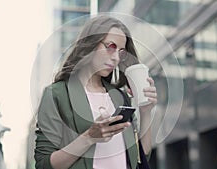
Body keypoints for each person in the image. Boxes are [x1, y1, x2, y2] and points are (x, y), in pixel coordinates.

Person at [34, 15, 157, 169]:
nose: (116, 58)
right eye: (111, 47)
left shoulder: (119, 96)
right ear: (90, 43)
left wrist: (146, 111)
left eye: (121, 52)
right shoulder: (57, 94)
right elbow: (44, 165)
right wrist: (89, 137)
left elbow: (141, 156)